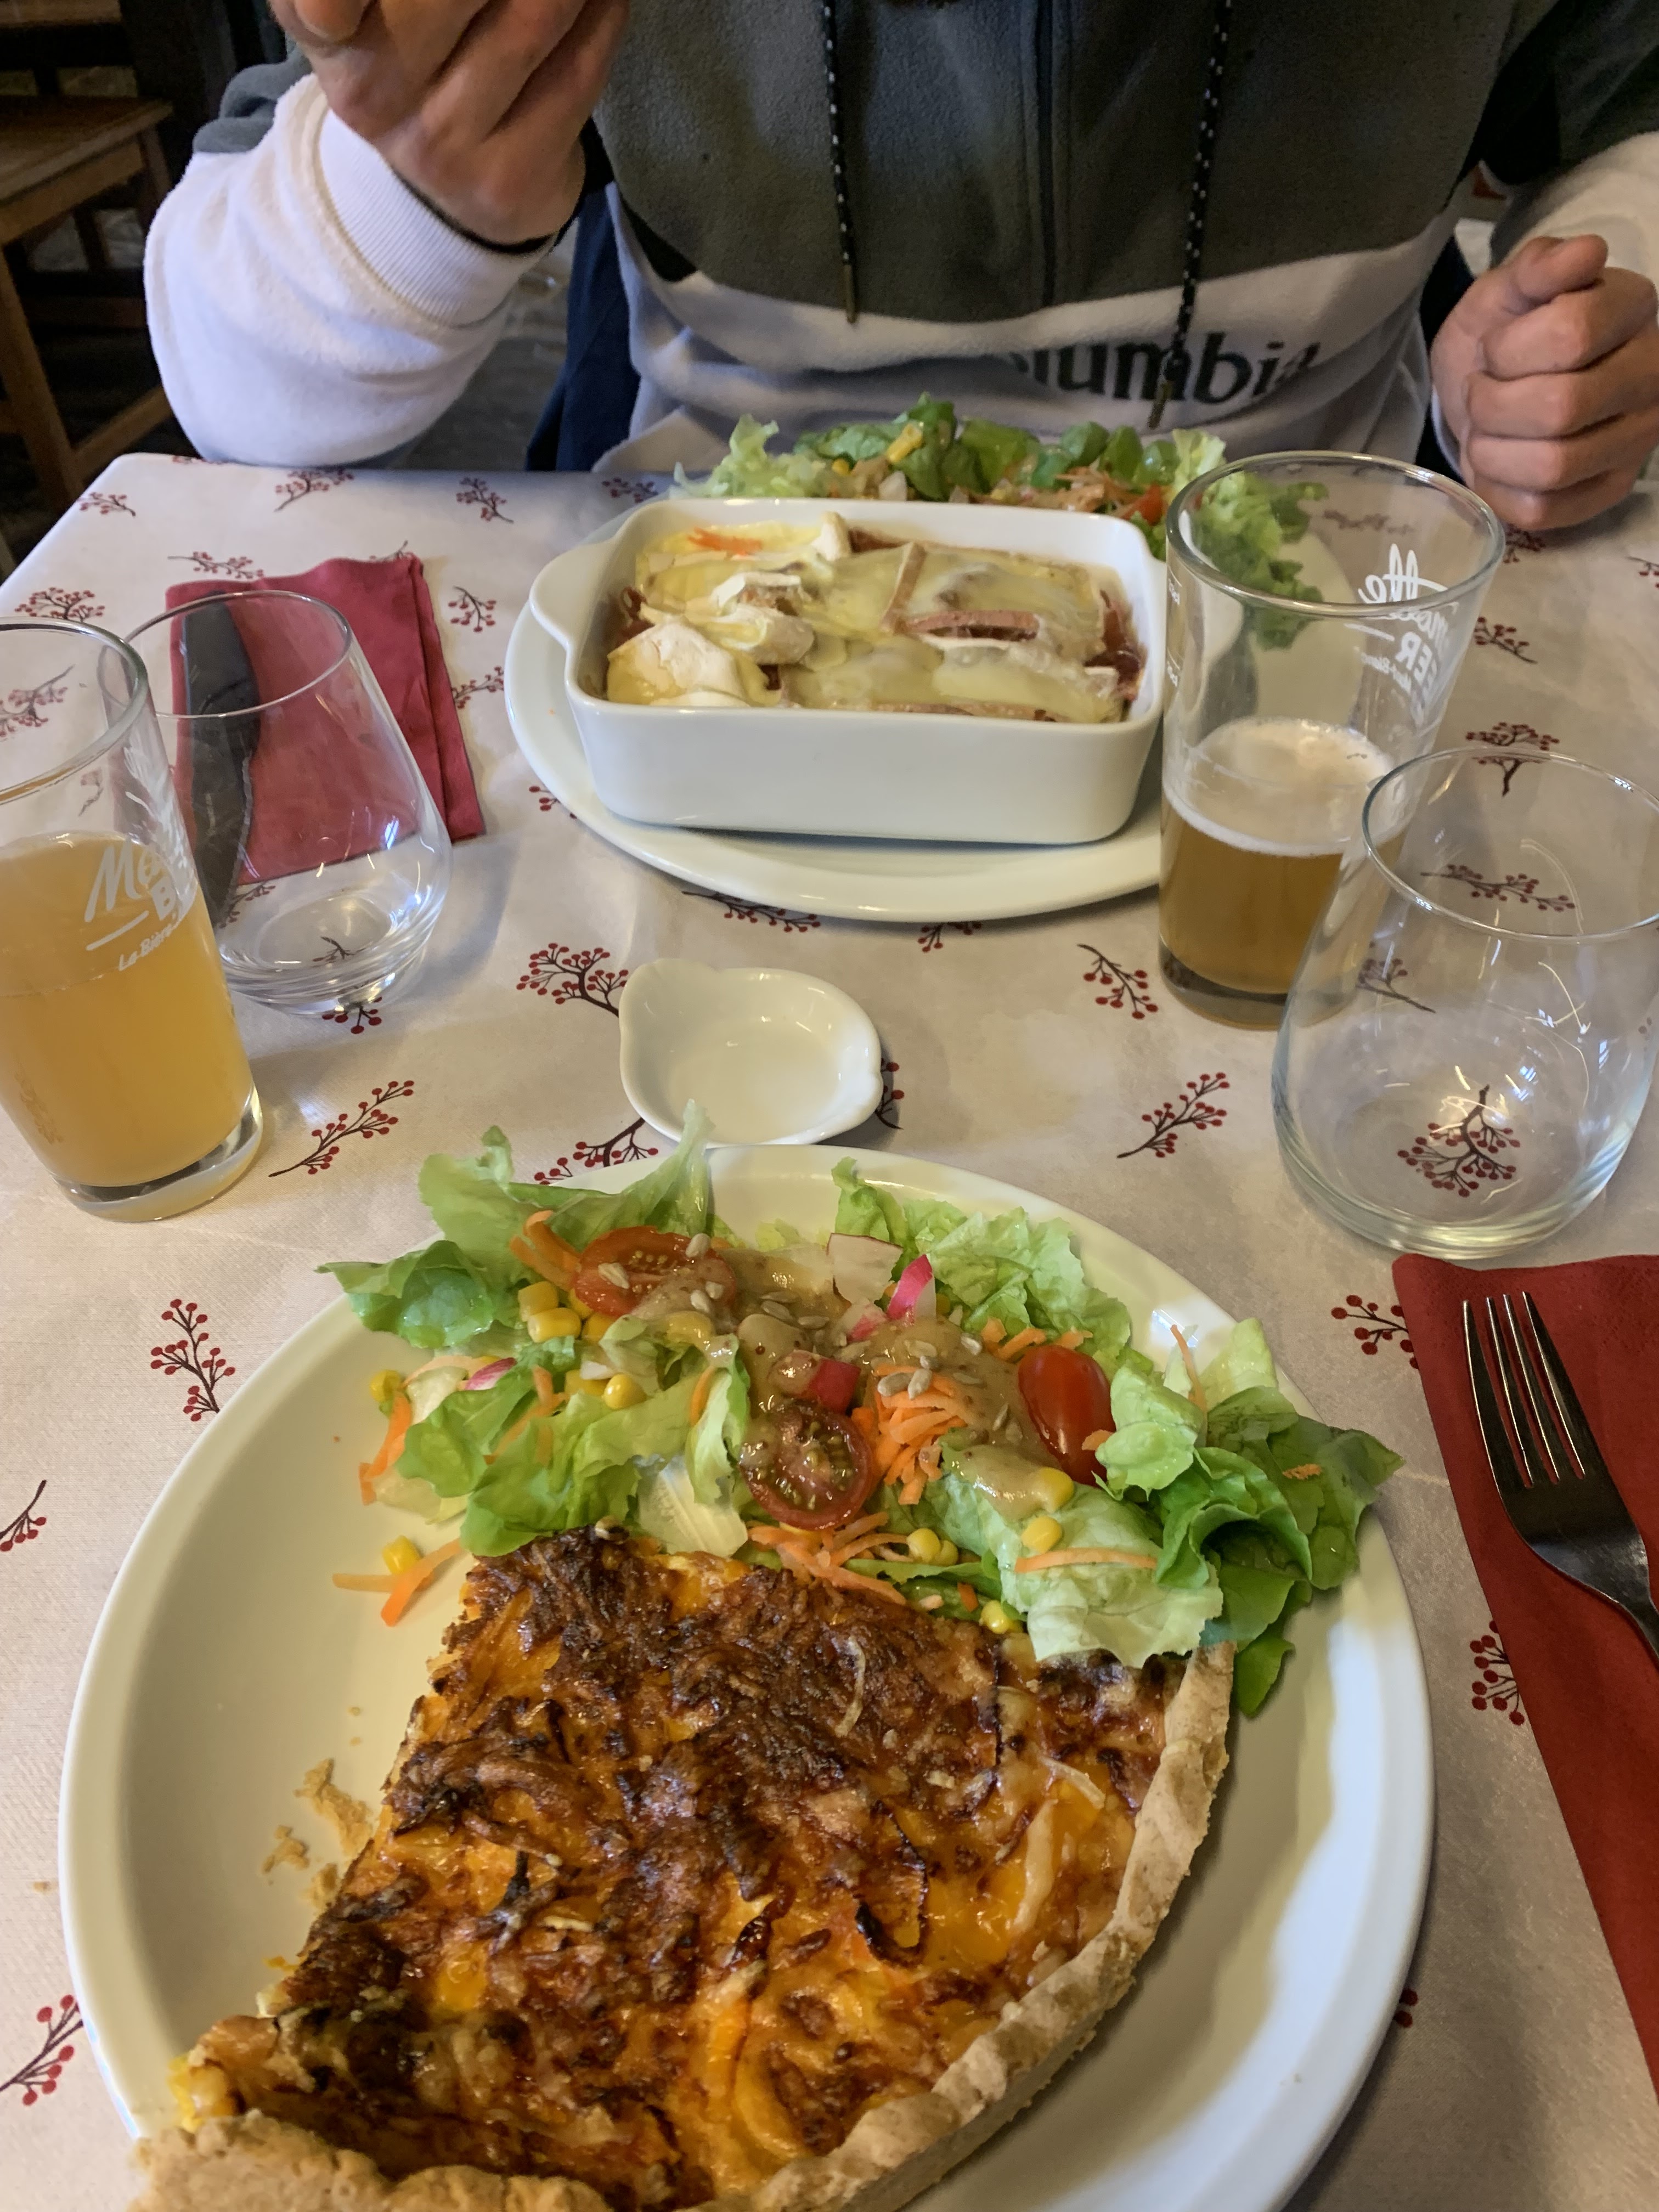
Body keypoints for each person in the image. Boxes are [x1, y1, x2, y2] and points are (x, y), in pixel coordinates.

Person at [145, 1, 1659, 531]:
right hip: (721, 626)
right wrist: (421, 199)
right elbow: (235, 392)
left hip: (1301, 621)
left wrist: (1596, 305)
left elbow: (1623, 102)